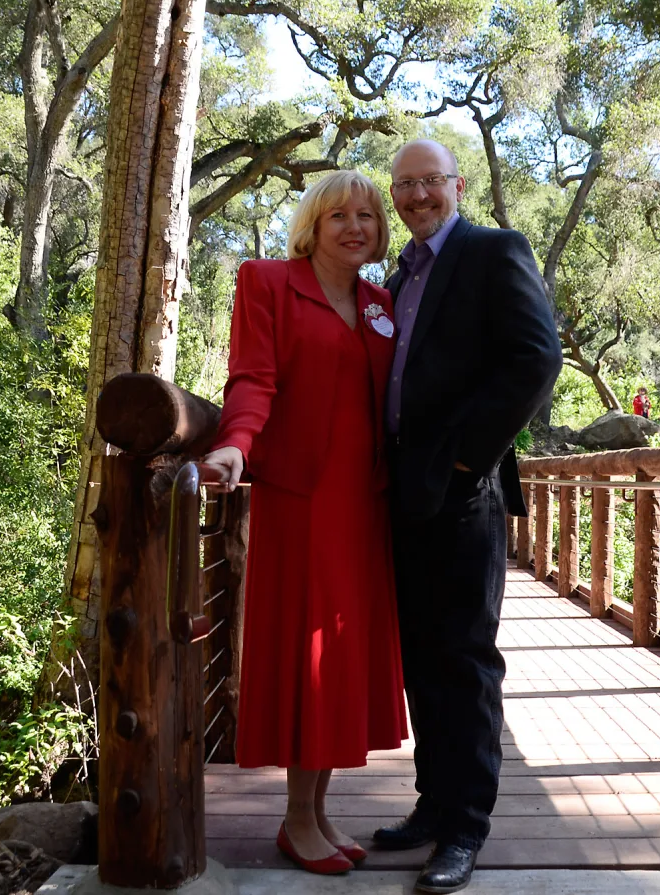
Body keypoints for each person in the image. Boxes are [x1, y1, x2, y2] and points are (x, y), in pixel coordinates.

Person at [198, 170, 407, 876]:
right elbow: (253, 377)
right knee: (308, 661)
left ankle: (318, 812)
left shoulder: (383, 303)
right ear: (312, 226)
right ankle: (294, 820)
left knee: (340, 661)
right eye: (339, 216)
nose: (356, 227)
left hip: (362, 504)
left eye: (369, 217)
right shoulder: (267, 283)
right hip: (302, 501)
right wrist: (235, 444)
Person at [372, 139, 561, 894]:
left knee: (466, 661)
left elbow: (535, 358)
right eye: (404, 185)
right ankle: (433, 800)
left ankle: (466, 827)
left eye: (429, 182)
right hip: (405, 496)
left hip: (463, 496)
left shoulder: (493, 250)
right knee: (421, 658)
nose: (417, 195)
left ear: (456, 184)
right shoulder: (399, 275)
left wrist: (465, 458)